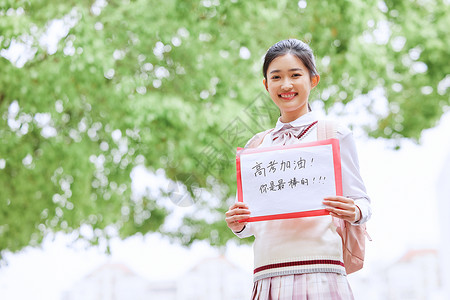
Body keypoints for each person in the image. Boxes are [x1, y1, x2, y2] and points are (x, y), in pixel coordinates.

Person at [225, 39, 372, 300]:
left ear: (313, 80)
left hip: (321, 270)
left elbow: (363, 202)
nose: (286, 85)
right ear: (266, 85)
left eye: (295, 75)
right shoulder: (256, 145)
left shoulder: (334, 134)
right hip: (267, 272)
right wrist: (237, 223)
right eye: (276, 77)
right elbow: (250, 223)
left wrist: (355, 210)